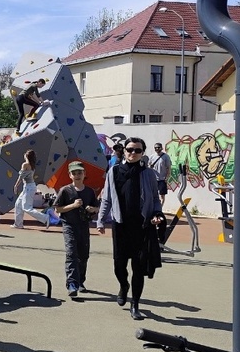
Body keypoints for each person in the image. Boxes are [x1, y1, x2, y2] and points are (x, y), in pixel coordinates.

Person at [97, 137, 165, 321]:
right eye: (129, 149)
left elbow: (155, 199)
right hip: (121, 225)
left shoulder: (148, 174)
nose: (133, 153)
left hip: (142, 226)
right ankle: (123, 285)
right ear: (124, 150)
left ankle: (135, 304)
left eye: (137, 150)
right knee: (119, 265)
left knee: (139, 266)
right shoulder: (114, 171)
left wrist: (157, 213)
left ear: (143, 153)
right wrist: (100, 220)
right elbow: (107, 198)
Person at [55, 161, 99, 299]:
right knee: (71, 253)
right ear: (70, 175)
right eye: (74, 173)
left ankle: (80, 281)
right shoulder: (65, 190)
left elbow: (97, 208)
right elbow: (57, 209)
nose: (77, 175)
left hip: (84, 226)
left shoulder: (89, 191)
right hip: (69, 225)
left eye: (79, 172)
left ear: (84, 174)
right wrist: (73, 206)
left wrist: (93, 209)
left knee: (83, 255)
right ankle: (72, 284)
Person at [14, 149, 50, 228]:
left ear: (26, 156)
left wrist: (16, 186)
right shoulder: (32, 164)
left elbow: (21, 176)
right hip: (28, 186)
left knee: (27, 207)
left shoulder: (25, 164)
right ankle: (18, 224)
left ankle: (45, 217)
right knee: (18, 204)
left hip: (29, 187)